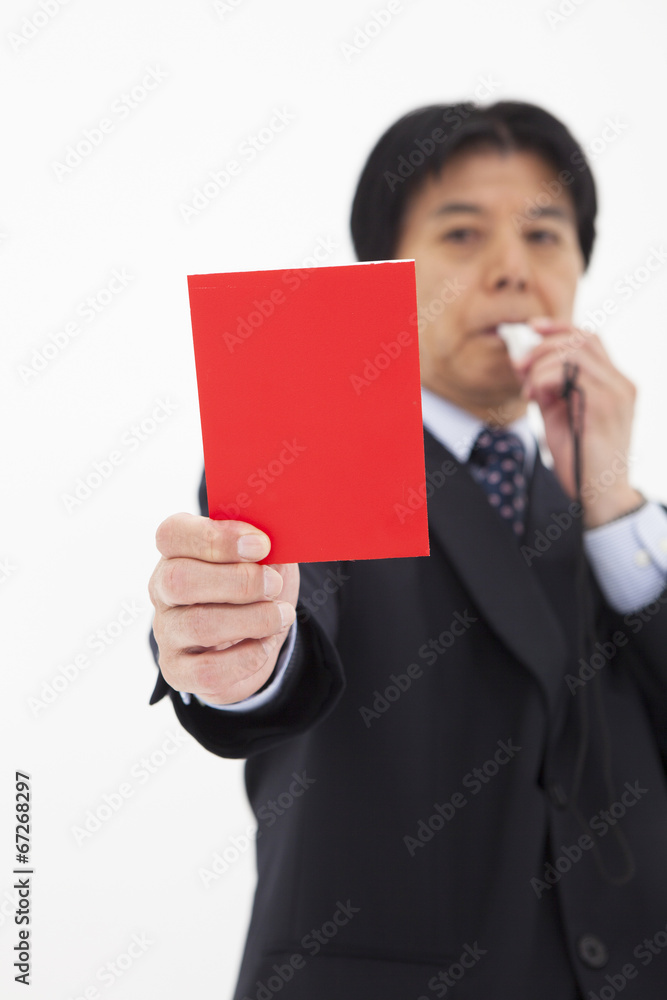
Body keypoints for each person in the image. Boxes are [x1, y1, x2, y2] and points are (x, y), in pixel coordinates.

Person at [148, 101, 667, 999]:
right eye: (461, 233)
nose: (512, 269)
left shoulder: (605, 515)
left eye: (544, 235)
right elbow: (290, 618)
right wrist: (246, 658)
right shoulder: (311, 451)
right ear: (382, 277)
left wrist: (613, 504)